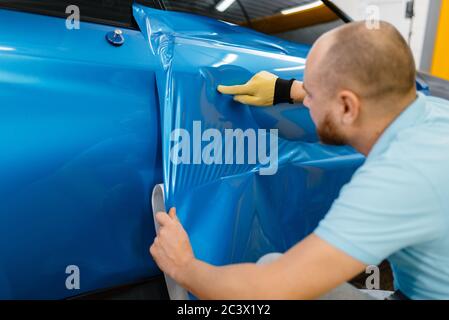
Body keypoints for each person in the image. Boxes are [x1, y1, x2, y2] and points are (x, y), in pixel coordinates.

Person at [149, 21, 449, 300]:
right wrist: (286, 90)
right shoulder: (433, 113)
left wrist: (183, 267)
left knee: (275, 275)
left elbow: (268, 290)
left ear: (347, 105)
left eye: (312, 95)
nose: (306, 102)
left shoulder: (399, 177)